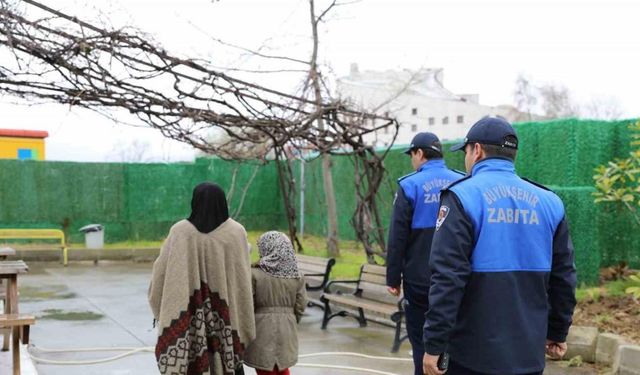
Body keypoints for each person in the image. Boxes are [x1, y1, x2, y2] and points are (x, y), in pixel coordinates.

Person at [422, 117, 577, 375]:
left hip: (472, 355)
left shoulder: (461, 196)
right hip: (528, 354)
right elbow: (564, 277)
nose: (465, 159)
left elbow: (448, 277)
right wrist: (557, 331)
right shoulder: (550, 202)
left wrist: (434, 343)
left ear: (477, 150)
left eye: (466, 152)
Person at [149, 182, 256, 375]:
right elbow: (243, 282)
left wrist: (161, 309)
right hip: (227, 324)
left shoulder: (180, 231)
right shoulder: (236, 232)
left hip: (189, 327)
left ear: (194, 202)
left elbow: (161, 274)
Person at [386, 132, 463, 375]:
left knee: (421, 341)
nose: (412, 160)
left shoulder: (409, 186)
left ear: (419, 153)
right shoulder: (462, 182)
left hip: (419, 279)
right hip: (455, 280)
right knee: (453, 338)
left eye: (412, 155)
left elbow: (397, 238)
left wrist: (392, 278)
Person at [244, 231, 307, 375]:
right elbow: (301, 305)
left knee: (265, 369)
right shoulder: (296, 275)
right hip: (287, 329)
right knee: (283, 368)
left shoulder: (254, 274)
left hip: (261, 330)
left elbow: (248, 305)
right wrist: (290, 319)